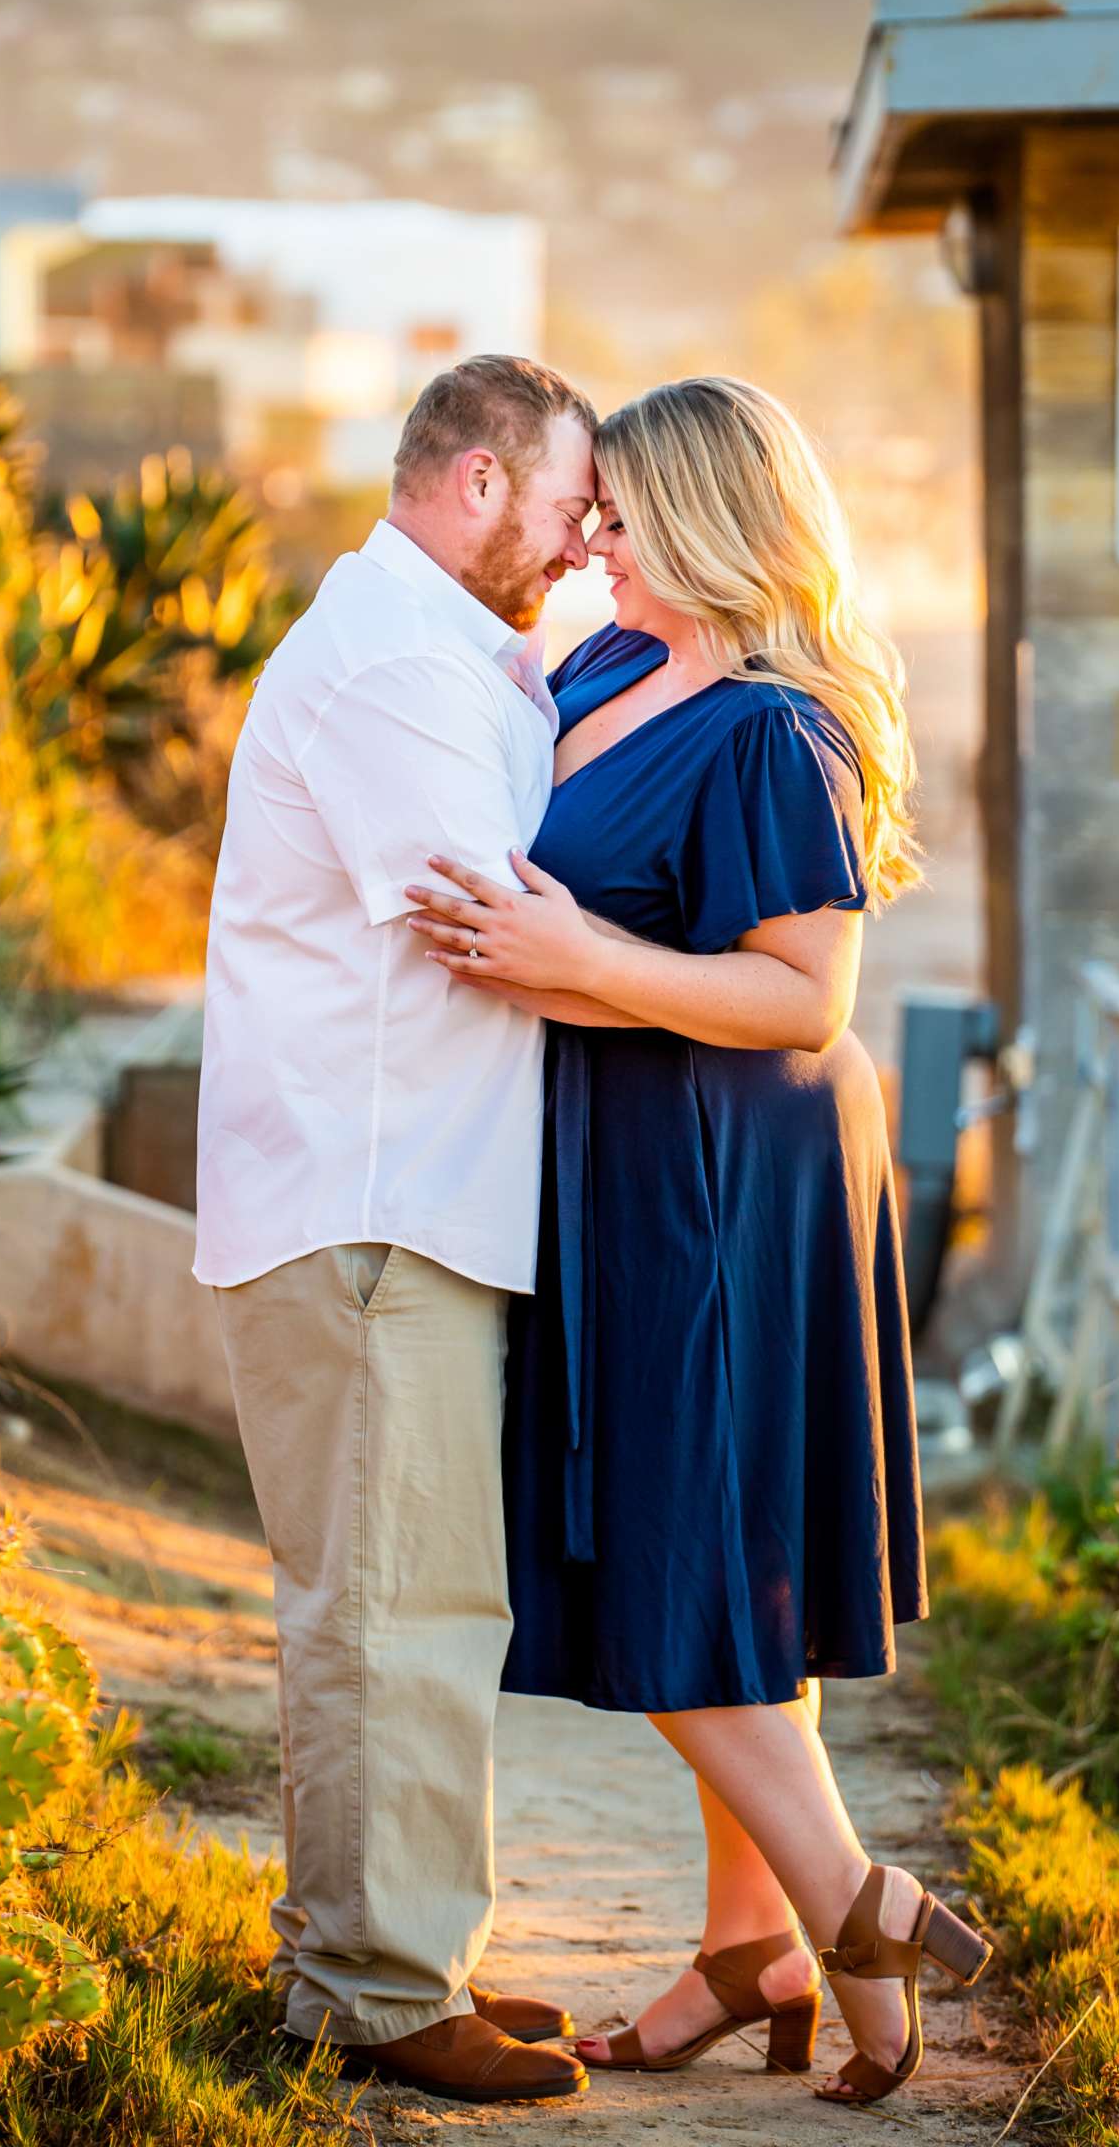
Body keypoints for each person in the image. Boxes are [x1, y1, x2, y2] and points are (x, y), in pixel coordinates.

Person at [404, 375, 991, 2108]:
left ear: (717, 521)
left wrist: (578, 965)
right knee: (725, 1564)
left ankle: (849, 1906)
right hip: (620, 1155)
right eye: (590, 509)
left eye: (623, 511)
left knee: (671, 1554)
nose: (591, 535)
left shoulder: (770, 731)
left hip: (726, 1169)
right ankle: (755, 1956)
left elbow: (806, 991)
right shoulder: (591, 667)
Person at [194, 355, 598, 2104]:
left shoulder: (450, 657)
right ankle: (370, 1995)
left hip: (408, 1200)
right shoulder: (380, 664)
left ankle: (406, 1954)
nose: (585, 538)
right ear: (482, 482)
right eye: (573, 500)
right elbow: (488, 911)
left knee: (428, 1596)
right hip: (364, 1204)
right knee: (381, 1605)